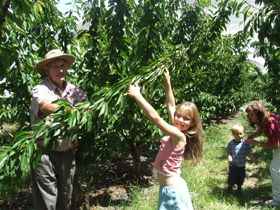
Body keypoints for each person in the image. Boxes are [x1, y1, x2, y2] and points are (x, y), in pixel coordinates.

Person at [128, 68, 203, 210]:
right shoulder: (177, 128)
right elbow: (171, 105)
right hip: (168, 189)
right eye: (178, 116)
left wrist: (138, 96)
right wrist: (167, 82)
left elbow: (156, 119)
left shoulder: (179, 135)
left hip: (173, 191)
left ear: (193, 123)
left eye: (186, 119)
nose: (180, 120)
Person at [30, 49, 88, 210]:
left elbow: (87, 108)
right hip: (44, 152)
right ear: (47, 70)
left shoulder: (74, 91)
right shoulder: (41, 88)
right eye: (55, 67)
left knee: (66, 197)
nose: (60, 70)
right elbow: (45, 106)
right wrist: (69, 110)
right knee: (46, 200)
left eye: (63, 66)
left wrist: (86, 110)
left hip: (68, 150)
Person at [246, 101, 280, 207]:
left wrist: (257, 143)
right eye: (248, 115)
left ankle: (278, 199)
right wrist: (255, 134)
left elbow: (276, 145)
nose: (250, 117)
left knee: (275, 169)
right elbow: (263, 127)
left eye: (252, 114)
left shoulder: (271, 124)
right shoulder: (268, 118)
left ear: (259, 113)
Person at [226, 124, 259, 193]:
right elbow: (228, 151)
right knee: (232, 176)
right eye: (237, 134)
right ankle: (230, 186)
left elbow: (248, 153)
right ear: (233, 135)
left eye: (241, 134)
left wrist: (253, 159)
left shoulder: (245, 144)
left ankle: (239, 187)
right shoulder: (231, 143)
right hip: (233, 165)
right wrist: (229, 157)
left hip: (242, 165)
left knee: (241, 177)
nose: (239, 136)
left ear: (243, 133)